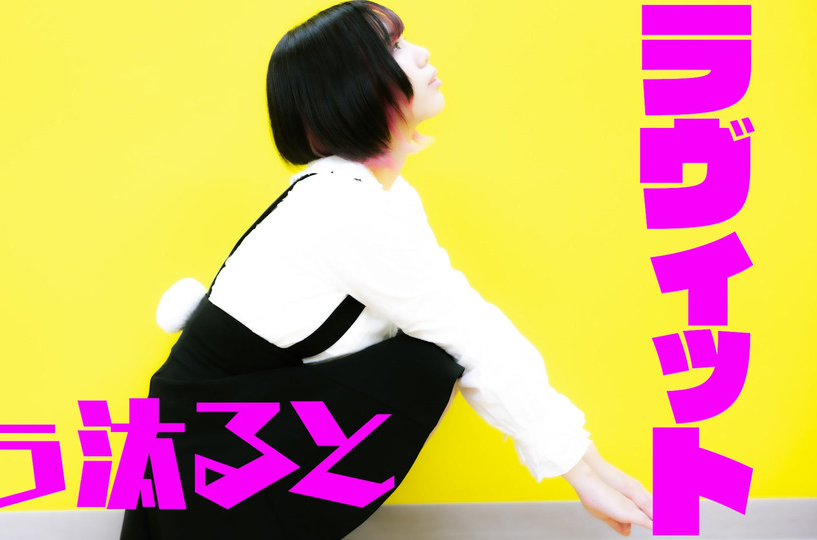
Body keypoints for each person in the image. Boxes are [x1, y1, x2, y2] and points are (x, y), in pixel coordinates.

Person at [120, 1, 654, 538]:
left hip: (221, 438)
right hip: (198, 453)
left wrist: (591, 466)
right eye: (393, 47)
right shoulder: (342, 206)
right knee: (427, 362)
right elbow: (469, 334)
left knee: (430, 355)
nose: (420, 54)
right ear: (350, 87)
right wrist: (581, 473)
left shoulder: (376, 197)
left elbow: (466, 322)